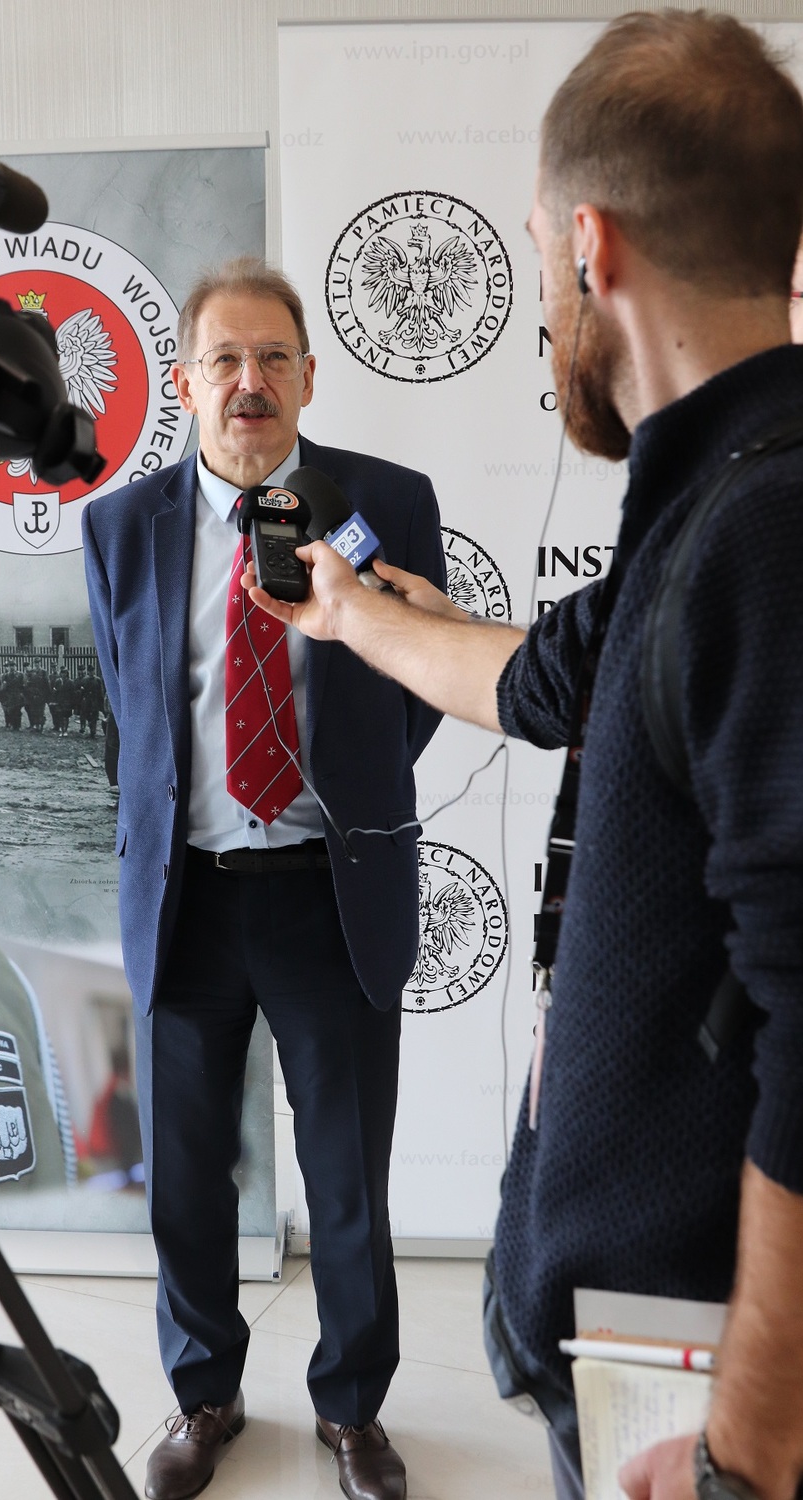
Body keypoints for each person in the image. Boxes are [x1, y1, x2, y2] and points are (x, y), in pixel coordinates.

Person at [248, 16, 803, 1500]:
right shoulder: (714, 494)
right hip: (636, 1349)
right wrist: (349, 613)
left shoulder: (766, 534)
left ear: (591, 248)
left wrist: (748, 1456)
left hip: (709, 1408)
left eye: (540, 264)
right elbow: (545, 680)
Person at [83, 256, 445, 1500]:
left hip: (324, 893)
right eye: (224, 360)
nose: (249, 383)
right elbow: (132, 710)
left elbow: (418, 689)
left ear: (308, 373)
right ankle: (203, 1398)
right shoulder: (118, 526)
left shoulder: (385, 502)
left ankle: (351, 1410)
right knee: (185, 1177)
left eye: (271, 358)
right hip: (185, 900)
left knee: (347, 1174)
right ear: (184, 382)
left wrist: (342, 803)